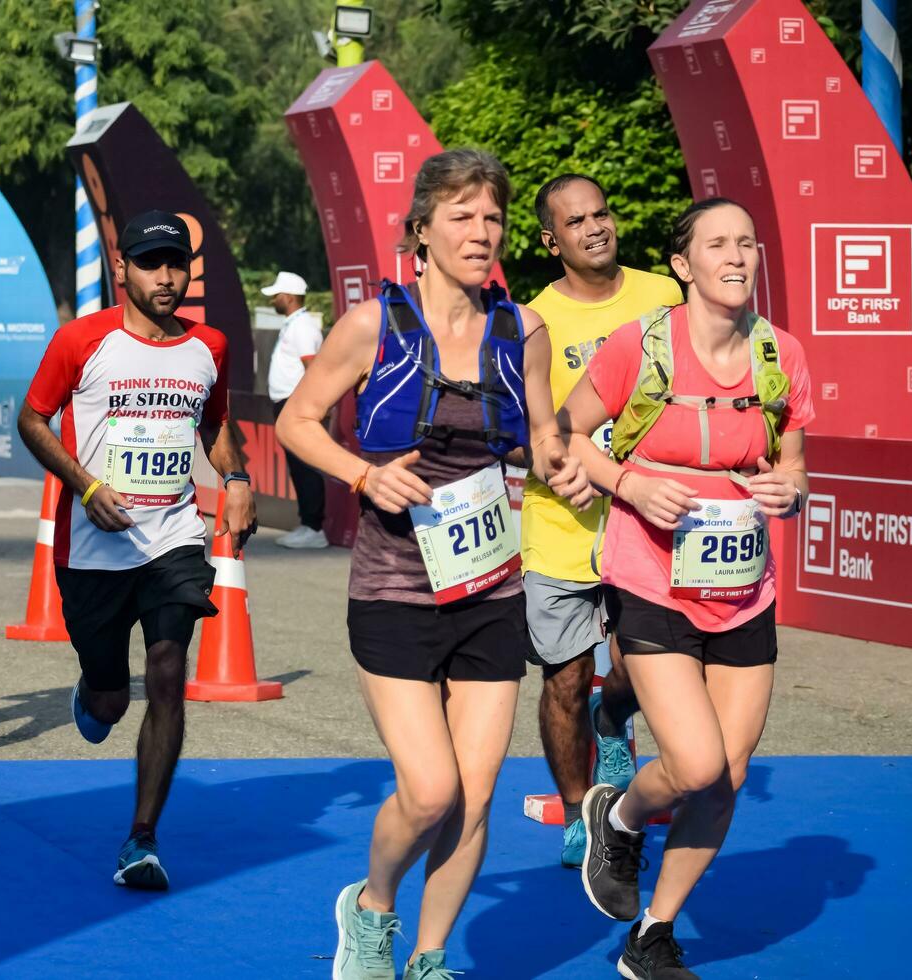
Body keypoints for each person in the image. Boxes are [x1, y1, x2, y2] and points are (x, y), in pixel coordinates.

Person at [276, 149, 591, 980]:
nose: (483, 233)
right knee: (428, 789)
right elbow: (297, 422)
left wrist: (571, 463)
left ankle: (428, 956)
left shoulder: (521, 329)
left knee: (478, 793)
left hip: (490, 585)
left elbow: (543, 436)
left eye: (494, 218)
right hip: (392, 588)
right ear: (421, 231)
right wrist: (362, 474)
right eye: (463, 217)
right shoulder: (372, 324)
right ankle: (372, 906)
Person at [561, 198, 814, 979]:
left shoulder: (782, 354)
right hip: (652, 580)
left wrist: (790, 492)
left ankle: (654, 936)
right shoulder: (638, 347)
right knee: (697, 764)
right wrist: (629, 484)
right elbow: (568, 439)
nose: (736, 256)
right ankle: (623, 813)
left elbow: (796, 462)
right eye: (717, 244)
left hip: (743, 587)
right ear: (683, 264)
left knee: (728, 775)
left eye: (746, 243)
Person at [18, 210, 257, 891]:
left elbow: (213, 423)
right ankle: (92, 692)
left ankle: (142, 839)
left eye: (176, 264)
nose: (167, 277)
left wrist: (235, 477)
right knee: (110, 701)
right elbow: (32, 419)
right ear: (122, 269)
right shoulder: (82, 341)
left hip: (171, 537)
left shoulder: (207, 346)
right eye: (152, 263)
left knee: (166, 668)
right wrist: (83, 484)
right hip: (93, 545)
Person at [521, 174, 683, 868]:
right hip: (561, 525)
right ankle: (581, 812)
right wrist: (563, 471)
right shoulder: (531, 321)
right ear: (550, 240)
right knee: (563, 676)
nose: (596, 228)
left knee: (636, 667)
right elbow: (519, 430)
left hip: (647, 524)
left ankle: (612, 717)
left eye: (602, 213)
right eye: (576, 220)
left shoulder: (666, 297)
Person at [262, 270, 328, 549]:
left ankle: (314, 528)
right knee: (298, 467)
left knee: (306, 466)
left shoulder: (302, 327)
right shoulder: (294, 323)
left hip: (297, 404)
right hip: (289, 403)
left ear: (288, 297)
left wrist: (310, 407)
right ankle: (307, 524)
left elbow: (313, 368)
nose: (274, 299)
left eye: (277, 295)